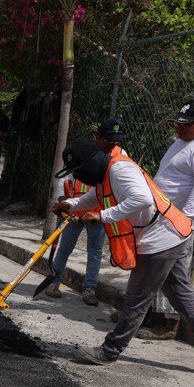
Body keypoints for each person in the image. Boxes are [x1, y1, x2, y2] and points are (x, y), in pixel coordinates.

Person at [52, 137, 194, 375]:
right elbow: (96, 196)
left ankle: (110, 350)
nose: (77, 176)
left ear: (91, 163)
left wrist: (102, 216)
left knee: (137, 297)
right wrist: (72, 204)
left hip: (161, 238)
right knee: (179, 291)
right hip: (171, 232)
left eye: (78, 170)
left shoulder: (119, 170)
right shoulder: (106, 174)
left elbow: (143, 198)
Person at [141, 98, 194, 339]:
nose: (179, 128)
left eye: (186, 124)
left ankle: (167, 323)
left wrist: (183, 221)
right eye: (177, 123)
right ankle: (147, 314)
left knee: (175, 274)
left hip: (187, 222)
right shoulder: (185, 140)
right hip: (166, 218)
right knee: (156, 268)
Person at [42, 118, 126, 305]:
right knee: (65, 249)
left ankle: (89, 289)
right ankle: (54, 283)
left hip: (98, 212)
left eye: (114, 140)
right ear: (99, 136)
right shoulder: (85, 151)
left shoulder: (121, 156)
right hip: (75, 210)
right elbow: (67, 175)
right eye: (108, 139)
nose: (111, 144)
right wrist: (63, 198)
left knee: (94, 252)